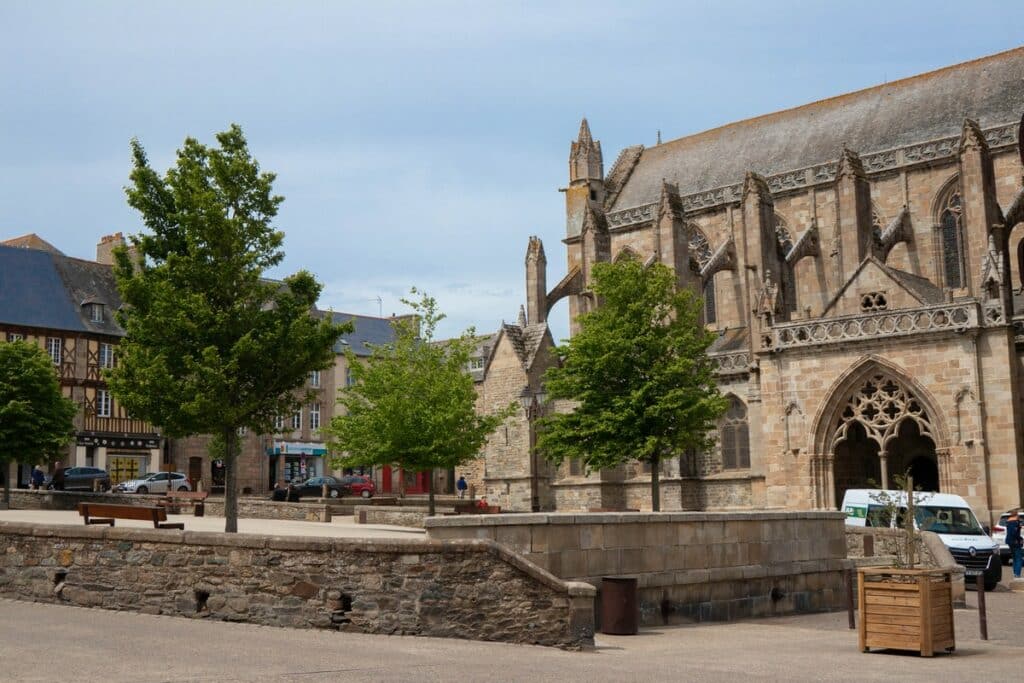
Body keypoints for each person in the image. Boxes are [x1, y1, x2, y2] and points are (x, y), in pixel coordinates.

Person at [1007, 509, 1023, 579]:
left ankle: (1015, 573)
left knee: (1014, 558)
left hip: (1010, 542)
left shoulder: (1009, 521)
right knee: (1019, 558)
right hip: (1015, 542)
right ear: (1016, 514)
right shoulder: (1015, 522)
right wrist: (1020, 539)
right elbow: (1014, 533)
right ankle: (1017, 574)